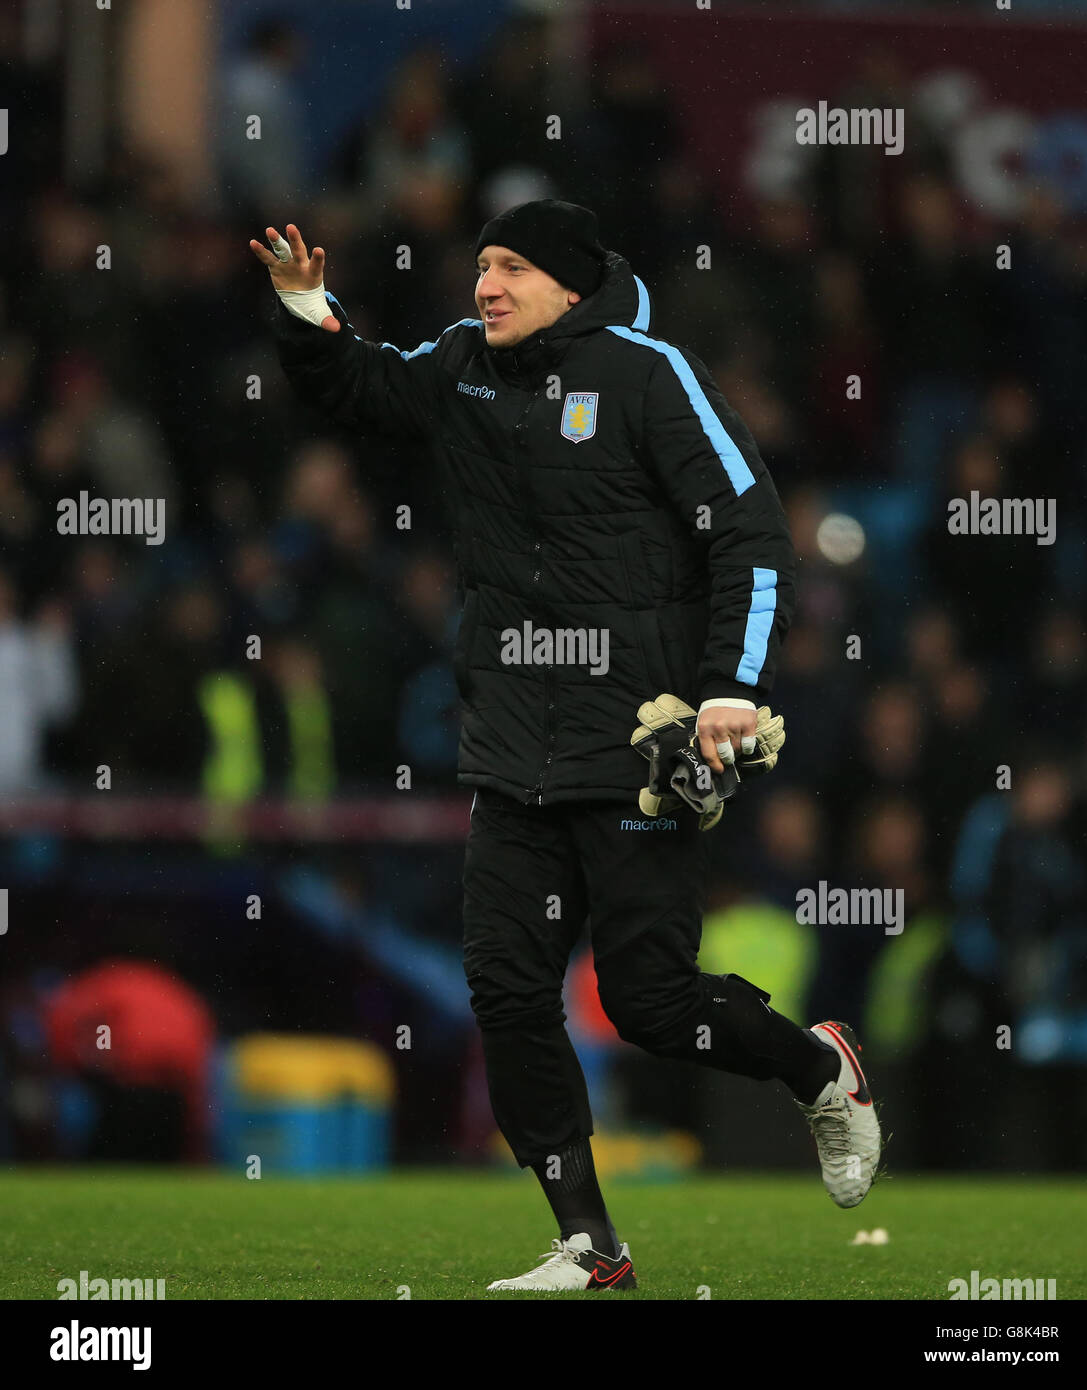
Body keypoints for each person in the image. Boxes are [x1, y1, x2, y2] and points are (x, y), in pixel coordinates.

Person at [251, 199, 881, 1292]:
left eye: (509, 267)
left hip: (638, 744)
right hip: (509, 742)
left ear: (570, 285)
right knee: (503, 987)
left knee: (649, 1003)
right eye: (479, 264)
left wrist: (730, 688)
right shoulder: (460, 366)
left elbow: (748, 530)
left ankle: (817, 1066)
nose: (484, 285)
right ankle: (589, 1244)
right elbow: (359, 385)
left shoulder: (647, 374)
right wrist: (306, 304)